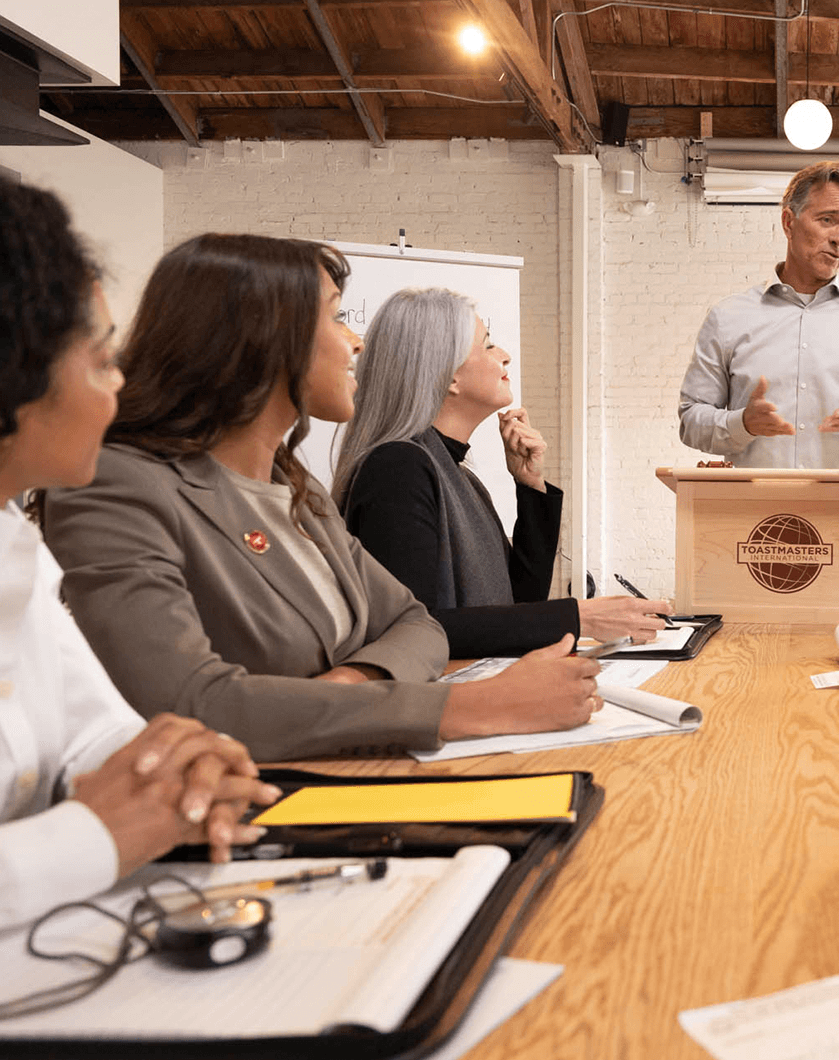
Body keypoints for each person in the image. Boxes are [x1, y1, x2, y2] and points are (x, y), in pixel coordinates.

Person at [39, 234, 604, 763]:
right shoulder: (117, 485)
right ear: (260, 338)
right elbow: (194, 705)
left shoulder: (293, 487)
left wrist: (351, 685)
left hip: (352, 770)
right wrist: (469, 707)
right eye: (335, 316)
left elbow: (417, 623)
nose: (357, 339)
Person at [0, 179, 279, 929]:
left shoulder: (15, 543)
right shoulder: (119, 488)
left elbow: (100, 731)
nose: (118, 386)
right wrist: (92, 836)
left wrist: (190, 771)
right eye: (99, 360)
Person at [332, 287, 666, 658]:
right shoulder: (397, 469)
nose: (505, 356)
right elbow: (414, 630)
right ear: (449, 376)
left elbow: (518, 602)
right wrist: (578, 616)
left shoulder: (459, 475)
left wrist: (530, 486)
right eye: (488, 345)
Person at [677, 160, 839, 469]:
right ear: (789, 222)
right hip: (754, 514)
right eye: (828, 220)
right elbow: (691, 420)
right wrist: (741, 424)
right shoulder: (728, 318)